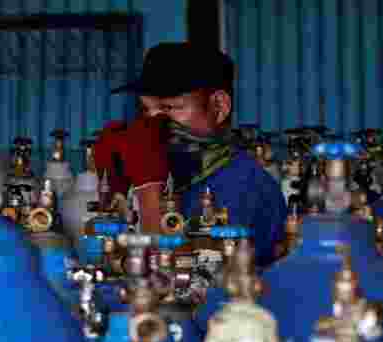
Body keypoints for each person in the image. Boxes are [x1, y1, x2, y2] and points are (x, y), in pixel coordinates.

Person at [93, 42, 287, 267]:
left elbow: (177, 281)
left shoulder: (242, 185)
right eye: (146, 110)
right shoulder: (170, 174)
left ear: (219, 106)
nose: (153, 124)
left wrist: (149, 189)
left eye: (169, 108)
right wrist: (113, 189)